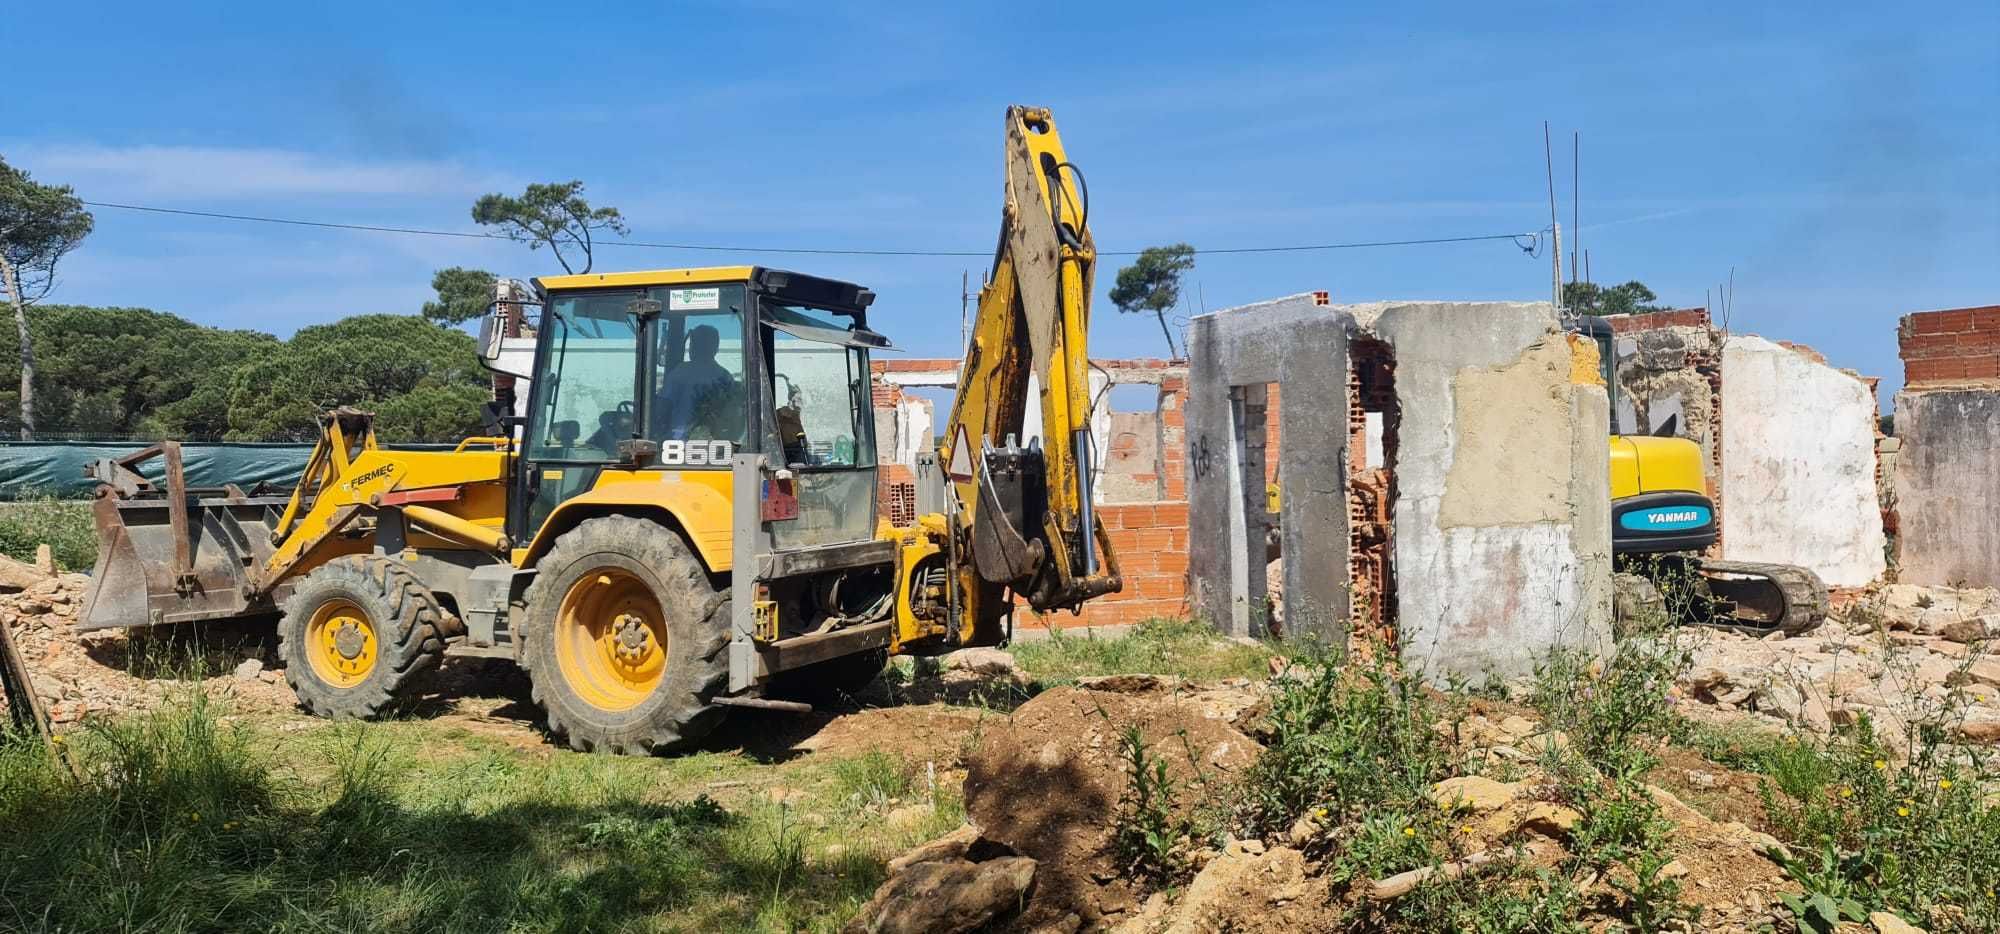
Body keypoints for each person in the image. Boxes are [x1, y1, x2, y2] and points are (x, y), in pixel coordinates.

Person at [655, 324, 735, 440]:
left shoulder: (681, 372)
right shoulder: (725, 376)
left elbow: (662, 408)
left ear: (694, 346)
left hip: (678, 440)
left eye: (692, 343)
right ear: (715, 348)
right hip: (715, 440)